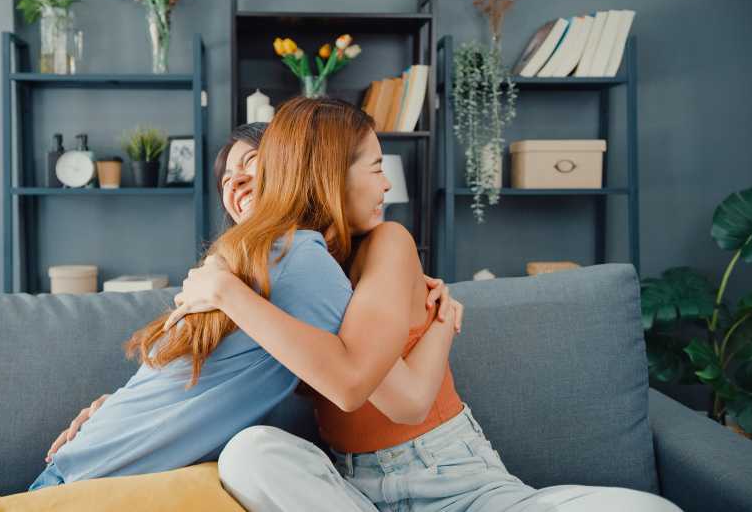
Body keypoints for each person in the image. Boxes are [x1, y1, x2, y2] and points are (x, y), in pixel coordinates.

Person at [162, 97, 683, 512]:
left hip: (452, 480)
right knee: (249, 453)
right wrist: (100, 414)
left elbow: (396, 399)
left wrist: (441, 325)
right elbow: (183, 379)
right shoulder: (265, 280)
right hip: (350, 490)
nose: (388, 181)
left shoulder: (387, 241)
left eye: (251, 170)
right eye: (374, 167)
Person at [31, 105, 460, 491]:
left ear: (292, 167)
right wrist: (447, 315)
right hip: (91, 479)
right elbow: (380, 391)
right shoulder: (278, 261)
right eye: (225, 178)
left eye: (250, 164)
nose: (234, 183)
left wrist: (409, 282)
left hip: (86, 473)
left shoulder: (279, 262)